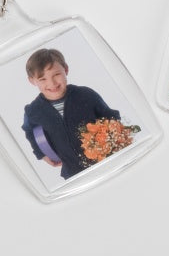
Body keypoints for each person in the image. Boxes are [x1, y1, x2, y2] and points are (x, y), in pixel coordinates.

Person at [21, 48, 121, 180]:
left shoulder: (86, 95)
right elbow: (30, 132)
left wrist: (115, 140)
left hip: (107, 162)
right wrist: (41, 154)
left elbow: (111, 117)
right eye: (42, 79)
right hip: (73, 173)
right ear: (32, 81)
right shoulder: (33, 111)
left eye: (56, 74)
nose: (52, 83)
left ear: (66, 69)